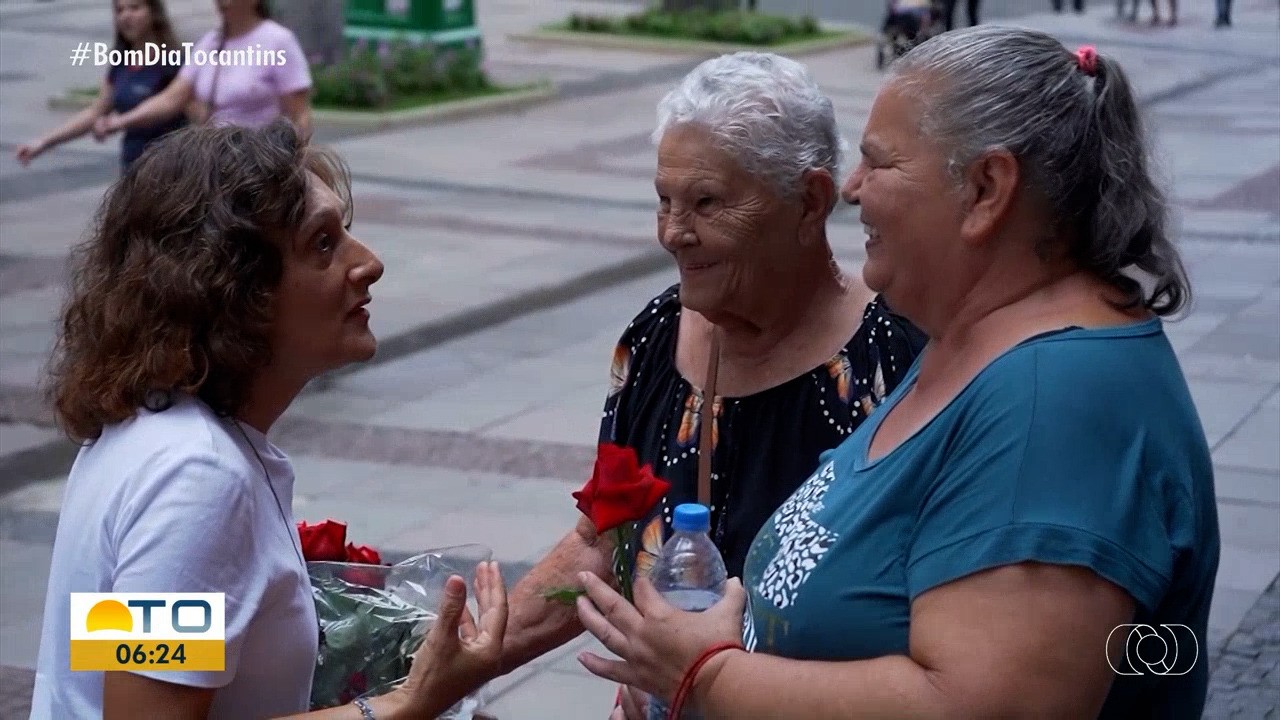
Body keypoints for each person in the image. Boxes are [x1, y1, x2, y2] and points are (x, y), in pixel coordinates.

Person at [571, 27, 1220, 719]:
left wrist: (706, 673)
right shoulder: (976, 342)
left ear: (986, 189)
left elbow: (988, 706)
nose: (852, 190)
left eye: (878, 163)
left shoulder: (1055, 402)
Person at [493, 51, 927, 712]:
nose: (673, 232)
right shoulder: (657, 336)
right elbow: (605, 536)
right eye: (663, 201)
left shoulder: (894, 365)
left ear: (808, 202)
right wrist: (452, 663)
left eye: (706, 203)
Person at [30, 120, 506, 719]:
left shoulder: (157, 436)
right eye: (324, 244)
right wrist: (404, 705)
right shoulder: (196, 475)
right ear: (234, 288)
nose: (370, 264)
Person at [94, 0, 312, 143]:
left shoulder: (278, 41)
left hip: (263, 165)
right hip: (218, 165)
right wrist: (119, 122)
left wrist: (294, 167)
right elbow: (172, 98)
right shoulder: (210, 43)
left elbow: (299, 116)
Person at [15, 0, 188, 171]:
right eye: (119, 10)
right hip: (133, 170)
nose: (126, 16)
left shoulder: (176, 63)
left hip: (170, 170)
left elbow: (170, 104)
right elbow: (95, 112)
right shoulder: (121, 63)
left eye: (134, 8)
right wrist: (44, 142)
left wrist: (118, 122)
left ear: (154, 12)